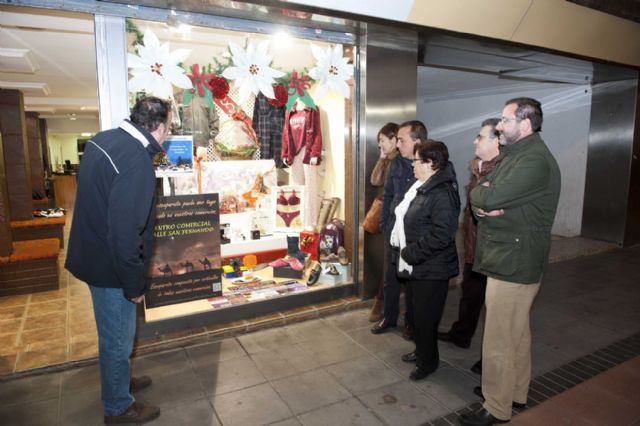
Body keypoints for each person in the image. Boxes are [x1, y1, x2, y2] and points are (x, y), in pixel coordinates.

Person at [65, 96, 172, 425]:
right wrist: (133, 284)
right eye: (168, 127)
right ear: (157, 126)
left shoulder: (103, 140)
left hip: (92, 255)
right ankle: (118, 406)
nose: (167, 134)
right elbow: (125, 232)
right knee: (117, 338)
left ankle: (119, 380)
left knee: (114, 335)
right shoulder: (136, 162)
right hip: (110, 266)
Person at [460, 98, 561, 426]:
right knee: (516, 331)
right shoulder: (517, 156)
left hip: (516, 260)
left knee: (500, 336)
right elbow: (486, 199)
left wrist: (484, 195)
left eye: (505, 120)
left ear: (526, 124)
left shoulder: (533, 161)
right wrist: (486, 198)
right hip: (510, 255)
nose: (499, 126)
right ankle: (516, 392)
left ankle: (496, 406)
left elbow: (484, 195)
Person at [392, 140, 460, 380]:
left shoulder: (442, 192)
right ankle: (421, 351)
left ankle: (428, 362)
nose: (413, 165)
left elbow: (441, 235)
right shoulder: (425, 186)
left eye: (417, 161)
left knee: (426, 318)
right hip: (419, 266)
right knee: (416, 314)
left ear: (430, 163)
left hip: (432, 268)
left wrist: (411, 253)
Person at [437, 118, 501, 374]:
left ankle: (493, 360)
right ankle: (461, 334)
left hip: (494, 251)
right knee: (470, 295)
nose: (474, 140)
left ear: (497, 141)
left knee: (495, 308)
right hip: (475, 248)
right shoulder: (478, 167)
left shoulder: (502, 171)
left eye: (481, 136)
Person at [371, 120, 427, 338]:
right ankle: (389, 317)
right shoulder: (396, 163)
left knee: (412, 282)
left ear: (417, 142)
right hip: (392, 230)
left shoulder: (428, 163)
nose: (398, 145)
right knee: (390, 277)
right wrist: (385, 224)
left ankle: (411, 323)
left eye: (402, 140)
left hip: (414, 234)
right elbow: (388, 197)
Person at [367, 122, 399, 322]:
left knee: (391, 265)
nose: (380, 145)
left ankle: (382, 305)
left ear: (394, 140)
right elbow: (375, 181)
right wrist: (382, 157)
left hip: (396, 217)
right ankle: (383, 304)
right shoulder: (388, 159)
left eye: (383, 141)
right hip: (387, 216)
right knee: (389, 264)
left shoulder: (402, 161)